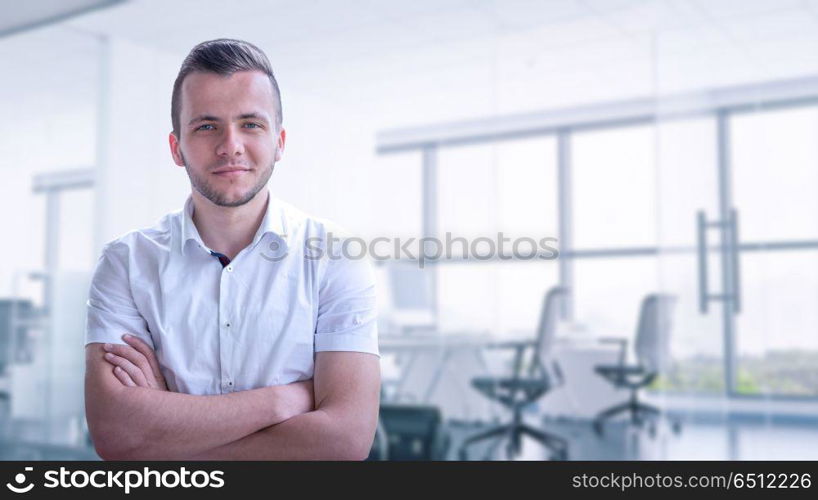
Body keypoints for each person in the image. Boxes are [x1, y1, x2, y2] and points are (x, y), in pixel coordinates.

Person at [83, 39, 380, 460]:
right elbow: (115, 434)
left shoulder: (334, 256)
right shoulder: (126, 263)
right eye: (206, 126)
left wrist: (167, 438)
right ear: (176, 148)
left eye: (251, 125)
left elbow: (345, 442)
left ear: (279, 141)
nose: (230, 146)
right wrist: (284, 401)